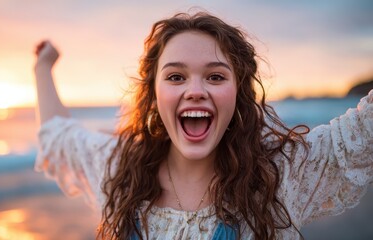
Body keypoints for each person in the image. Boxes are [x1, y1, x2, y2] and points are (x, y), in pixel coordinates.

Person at [34, 11, 373, 240]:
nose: (195, 91)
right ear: (154, 93)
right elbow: (59, 134)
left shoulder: (281, 175)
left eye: (214, 76)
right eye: (176, 76)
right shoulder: (119, 170)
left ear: (237, 91)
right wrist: (43, 67)